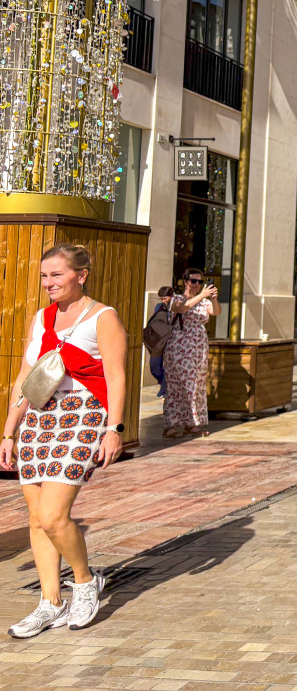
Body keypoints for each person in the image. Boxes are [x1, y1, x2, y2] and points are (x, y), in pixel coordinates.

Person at [1, 244, 126, 636]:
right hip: (40, 418)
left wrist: (114, 429)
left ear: (81, 275)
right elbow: (25, 377)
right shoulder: (41, 318)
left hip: (84, 416)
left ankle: (86, 582)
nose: (48, 283)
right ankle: (50, 603)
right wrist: (9, 430)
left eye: (56, 275)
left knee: (55, 516)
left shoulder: (103, 317)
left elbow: (118, 376)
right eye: (43, 276)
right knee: (37, 519)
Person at [163, 267, 221, 438]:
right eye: (193, 281)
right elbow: (182, 308)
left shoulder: (204, 302)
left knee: (196, 385)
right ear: (186, 282)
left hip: (198, 347)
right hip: (179, 346)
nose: (197, 284)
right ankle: (171, 424)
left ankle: (192, 423)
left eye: (200, 282)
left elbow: (216, 312)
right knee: (177, 385)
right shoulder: (176, 299)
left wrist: (214, 299)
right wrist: (201, 295)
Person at [149, 286, 174, 397]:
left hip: (172, 340)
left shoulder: (177, 307)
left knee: (168, 367)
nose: (164, 301)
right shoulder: (159, 307)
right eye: (162, 299)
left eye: (165, 299)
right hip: (160, 340)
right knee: (154, 365)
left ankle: (165, 390)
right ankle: (162, 384)